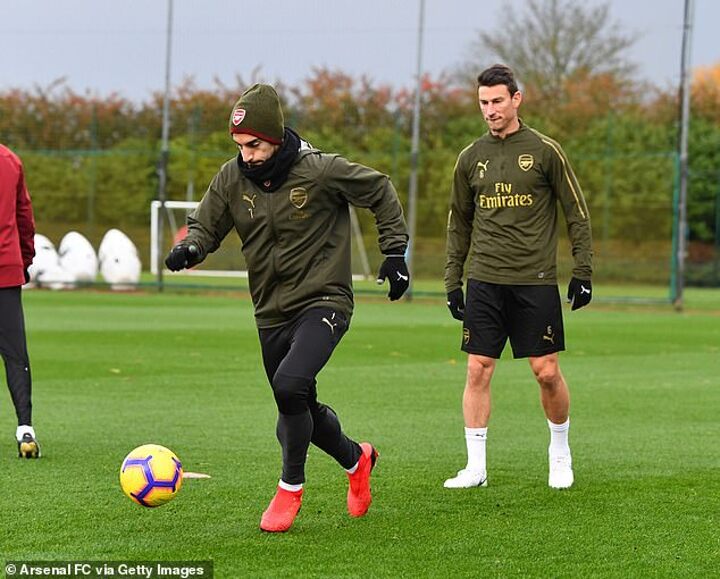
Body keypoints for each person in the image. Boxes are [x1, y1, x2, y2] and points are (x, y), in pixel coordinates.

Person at [165, 84, 410, 532]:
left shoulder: (319, 170)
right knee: (297, 400)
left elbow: (379, 189)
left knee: (289, 385)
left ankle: (290, 487)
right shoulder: (232, 177)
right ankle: (357, 460)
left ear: (275, 138)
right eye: (240, 146)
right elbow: (206, 224)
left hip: (324, 300)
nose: (247, 156)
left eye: (254, 146)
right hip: (270, 311)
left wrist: (394, 252)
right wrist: (192, 248)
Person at [443, 65, 592, 490]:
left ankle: (559, 453)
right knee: (478, 369)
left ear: (516, 99)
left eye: (497, 101)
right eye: (483, 103)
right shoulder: (470, 158)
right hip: (484, 278)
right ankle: (475, 467)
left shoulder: (545, 151)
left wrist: (583, 270)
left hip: (535, 279)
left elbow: (576, 212)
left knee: (546, 371)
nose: (490, 110)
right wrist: (453, 280)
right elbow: (459, 223)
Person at [0, 144, 40, 458]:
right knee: (15, 355)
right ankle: (25, 428)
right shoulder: (10, 160)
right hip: (5, 270)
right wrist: (24, 260)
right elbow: (24, 218)